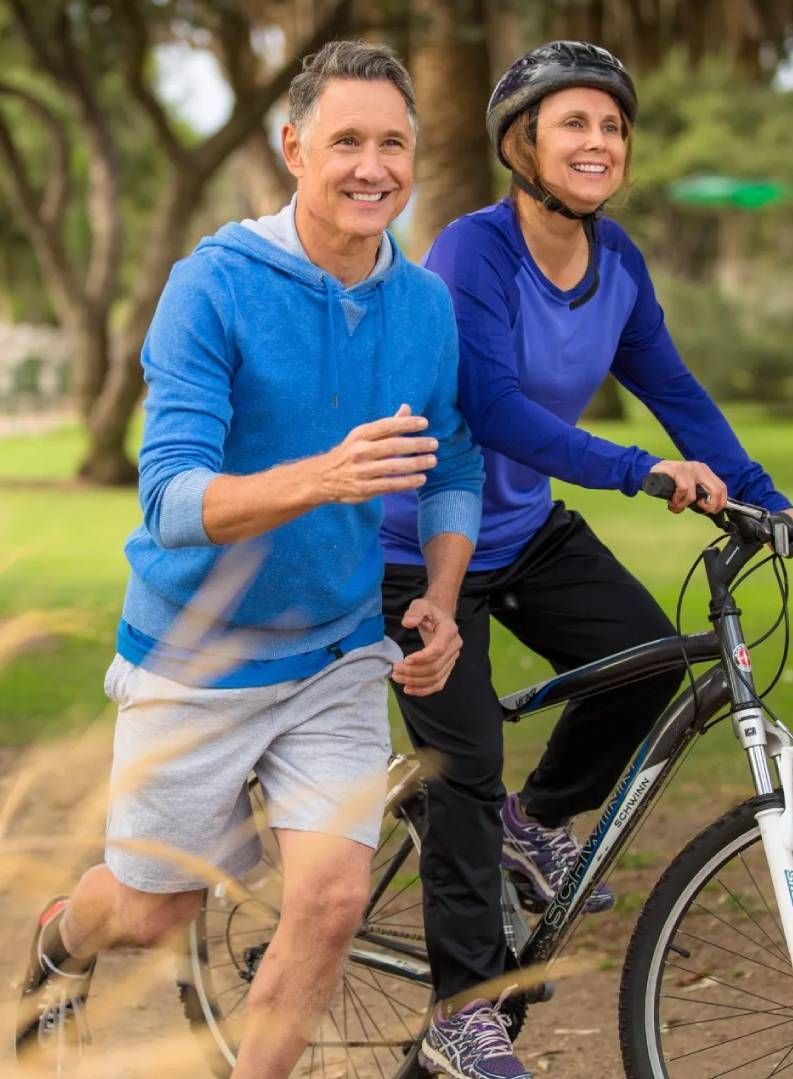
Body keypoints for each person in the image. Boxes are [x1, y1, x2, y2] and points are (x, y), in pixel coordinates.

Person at [15, 41, 485, 1079]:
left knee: (329, 897)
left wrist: (443, 598)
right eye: (347, 141)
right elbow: (170, 498)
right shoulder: (212, 287)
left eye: (393, 143)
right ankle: (61, 934)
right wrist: (323, 477)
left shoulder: (424, 306)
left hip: (335, 654)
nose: (373, 168)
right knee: (151, 908)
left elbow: (454, 461)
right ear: (292, 148)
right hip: (197, 653)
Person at [381, 40, 793, 1079]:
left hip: (522, 528)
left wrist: (771, 501)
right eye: (574, 123)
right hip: (420, 538)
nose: (598, 141)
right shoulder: (474, 251)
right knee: (466, 766)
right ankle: (460, 1012)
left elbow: (678, 390)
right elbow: (491, 408)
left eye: (611, 125)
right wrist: (636, 470)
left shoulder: (618, 263)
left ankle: (540, 818)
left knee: (652, 661)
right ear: (521, 143)